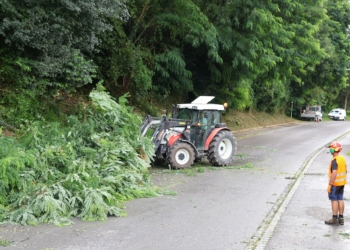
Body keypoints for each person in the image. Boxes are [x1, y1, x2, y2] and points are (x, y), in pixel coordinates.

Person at [325, 142, 347, 225]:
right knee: (340, 199)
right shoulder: (342, 158)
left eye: (330, 148)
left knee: (334, 200)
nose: (330, 150)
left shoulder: (334, 160)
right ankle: (341, 218)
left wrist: (330, 184)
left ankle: (334, 218)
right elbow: (345, 170)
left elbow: (334, 173)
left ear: (333, 150)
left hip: (335, 184)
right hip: (341, 183)